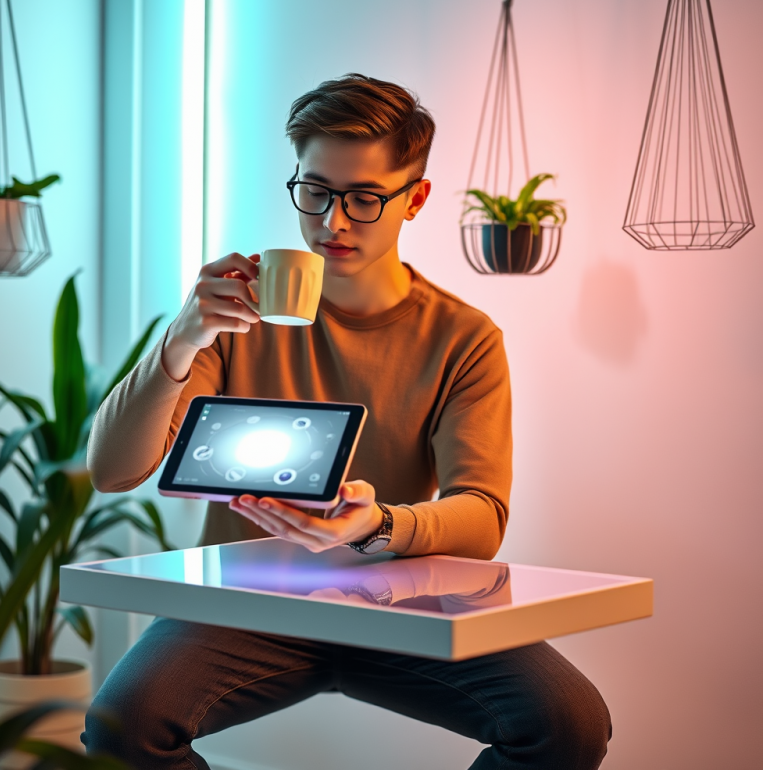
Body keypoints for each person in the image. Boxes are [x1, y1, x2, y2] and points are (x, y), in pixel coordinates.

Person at [83, 73, 610, 769]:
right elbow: (114, 471)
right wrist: (179, 342)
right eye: (317, 192)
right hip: (247, 603)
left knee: (567, 723)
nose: (333, 222)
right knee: (124, 723)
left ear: (414, 198)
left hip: (399, 602)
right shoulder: (235, 317)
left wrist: (378, 525)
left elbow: (481, 515)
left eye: (364, 198)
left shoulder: (464, 337)